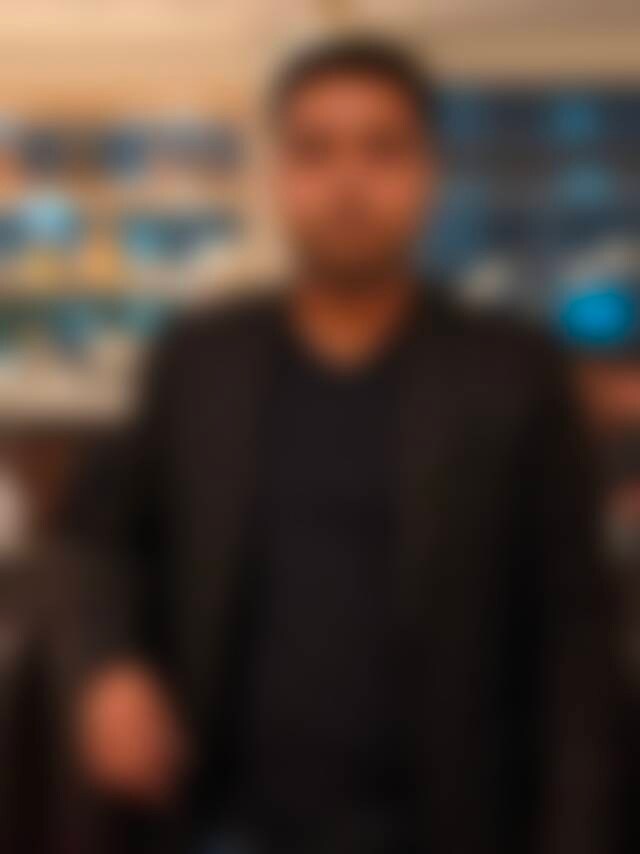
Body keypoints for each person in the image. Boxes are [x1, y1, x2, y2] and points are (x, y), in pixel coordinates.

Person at [65, 38, 614, 854]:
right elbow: (96, 543)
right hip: (223, 820)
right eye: (315, 150)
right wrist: (106, 669)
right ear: (278, 174)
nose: (348, 181)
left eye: (382, 149)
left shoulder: (513, 373)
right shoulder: (201, 360)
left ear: (429, 172)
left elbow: (577, 640)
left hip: (452, 822)